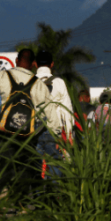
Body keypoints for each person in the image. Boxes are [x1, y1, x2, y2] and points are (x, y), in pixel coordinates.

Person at [0, 48, 53, 196]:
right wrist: (54, 133)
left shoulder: (0, 77)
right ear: (33, 64)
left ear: (17, 60)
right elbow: (49, 115)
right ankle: (20, 202)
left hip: (3, 132)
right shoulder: (39, 85)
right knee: (23, 167)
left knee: (1, 164)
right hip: (27, 135)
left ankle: (0, 198)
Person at [34, 50, 74, 178]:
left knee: (35, 165)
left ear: (35, 64)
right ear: (52, 64)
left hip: (34, 130)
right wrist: (68, 134)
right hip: (54, 130)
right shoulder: (58, 82)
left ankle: (37, 194)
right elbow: (66, 110)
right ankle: (54, 195)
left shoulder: (30, 81)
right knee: (55, 164)